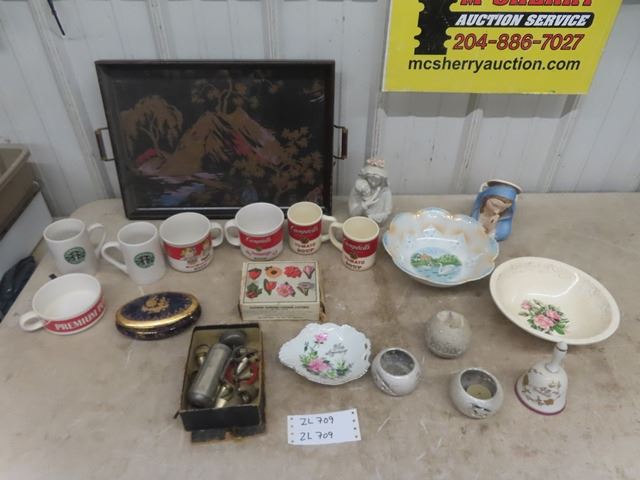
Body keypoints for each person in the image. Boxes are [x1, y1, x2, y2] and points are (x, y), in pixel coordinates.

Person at [348, 158, 392, 224]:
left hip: (376, 225)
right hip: (359, 223)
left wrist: (370, 217)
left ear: (382, 179)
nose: (373, 182)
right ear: (366, 177)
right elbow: (352, 213)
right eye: (370, 178)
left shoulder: (385, 192)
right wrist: (365, 205)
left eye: (377, 179)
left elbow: (387, 213)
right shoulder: (359, 188)